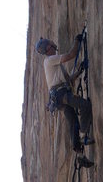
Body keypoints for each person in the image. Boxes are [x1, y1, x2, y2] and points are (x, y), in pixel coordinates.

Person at [36, 34, 94, 168]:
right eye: (51, 44)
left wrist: (79, 72)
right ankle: (83, 135)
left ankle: (79, 154)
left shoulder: (54, 63)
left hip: (59, 98)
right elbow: (70, 55)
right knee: (85, 106)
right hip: (61, 95)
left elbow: (68, 79)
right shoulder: (50, 60)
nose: (53, 44)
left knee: (73, 121)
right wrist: (77, 40)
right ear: (48, 48)